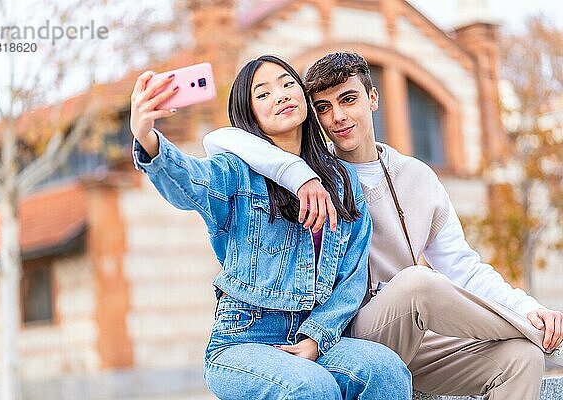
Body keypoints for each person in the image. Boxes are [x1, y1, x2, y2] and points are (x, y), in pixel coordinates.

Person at [202, 51, 563, 400]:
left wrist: (527, 306)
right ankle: (541, 335)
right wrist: (298, 175)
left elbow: (463, 268)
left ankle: (533, 334)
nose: (338, 117)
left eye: (349, 100)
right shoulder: (313, 176)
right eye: (324, 108)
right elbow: (222, 138)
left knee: (521, 358)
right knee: (418, 282)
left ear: (373, 98)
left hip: (414, 333)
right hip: (342, 336)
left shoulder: (418, 176)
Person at [129, 54, 412, 400]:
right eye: (262, 94)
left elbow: (351, 277)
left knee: (385, 370)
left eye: (288, 84)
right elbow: (191, 183)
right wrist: (147, 137)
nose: (280, 95)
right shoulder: (235, 171)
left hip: (313, 335)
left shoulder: (341, 181)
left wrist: (315, 338)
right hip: (242, 339)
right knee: (311, 387)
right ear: (251, 115)